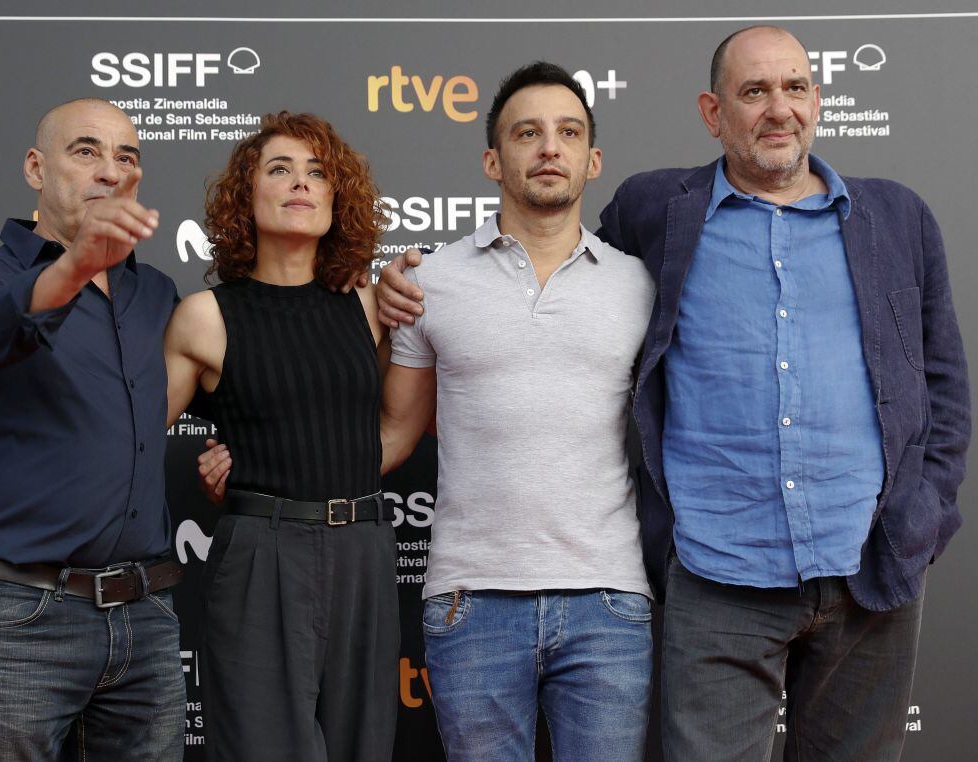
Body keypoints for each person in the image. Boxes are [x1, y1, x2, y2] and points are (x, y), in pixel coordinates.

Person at [380, 26, 971, 762]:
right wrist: (383, 290)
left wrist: (921, 516)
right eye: (753, 92)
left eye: (794, 87)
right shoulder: (659, 212)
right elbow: (552, 264)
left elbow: (945, 384)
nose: (778, 108)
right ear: (711, 111)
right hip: (719, 574)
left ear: (818, 100)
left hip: (869, 569)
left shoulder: (897, 218)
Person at [376, 62, 654, 761]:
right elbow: (395, 435)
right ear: (493, 160)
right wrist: (263, 456)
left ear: (592, 159)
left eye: (568, 132)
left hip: (608, 600)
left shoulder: (638, 284)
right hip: (472, 602)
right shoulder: (428, 282)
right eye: (528, 133)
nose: (549, 148)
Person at [0, 98, 186, 760]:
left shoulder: (156, 292)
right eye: (86, 150)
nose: (110, 168)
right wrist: (73, 266)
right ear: (36, 169)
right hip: (17, 617)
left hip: (145, 617)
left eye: (127, 156)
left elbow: (226, 388)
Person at [162, 111, 398, 762]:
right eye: (281, 169)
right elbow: (125, 437)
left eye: (318, 173)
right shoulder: (204, 318)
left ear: (336, 197)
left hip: (365, 550)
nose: (301, 183)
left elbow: (398, 429)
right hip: (260, 552)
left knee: (366, 750)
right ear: (247, 196)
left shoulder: (373, 306)